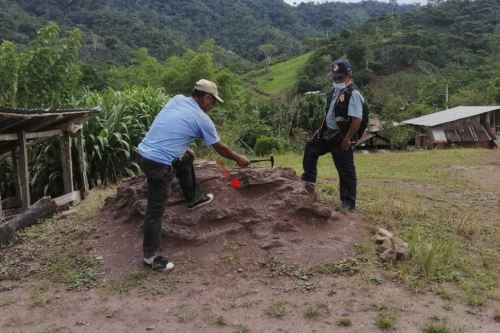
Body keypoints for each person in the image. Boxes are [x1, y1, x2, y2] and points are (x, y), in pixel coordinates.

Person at [137, 79, 250, 271]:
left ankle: (194, 198)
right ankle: (151, 258)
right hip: (157, 164)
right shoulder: (202, 119)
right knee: (155, 211)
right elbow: (219, 147)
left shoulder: (177, 99)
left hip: (143, 153)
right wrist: (239, 159)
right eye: (213, 102)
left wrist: (185, 149)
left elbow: (170, 127)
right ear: (206, 98)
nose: (213, 107)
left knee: (186, 159)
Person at [301, 59, 365, 211]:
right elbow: (330, 114)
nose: (336, 80)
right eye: (334, 77)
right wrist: (320, 129)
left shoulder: (353, 93)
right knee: (311, 148)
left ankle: (348, 203)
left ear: (347, 76)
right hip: (328, 134)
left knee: (345, 170)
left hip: (343, 136)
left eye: (339, 77)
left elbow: (357, 119)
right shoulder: (334, 92)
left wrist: (348, 138)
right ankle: (309, 180)